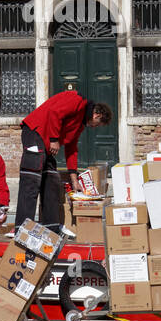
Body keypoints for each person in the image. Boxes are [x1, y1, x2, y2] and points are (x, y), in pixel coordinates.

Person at [15, 91, 112, 228]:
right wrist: (54, 139)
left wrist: (74, 179)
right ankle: (21, 229)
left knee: (51, 181)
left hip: (47, 143)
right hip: (35, 132)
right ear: (97, 115)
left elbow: (71, 148)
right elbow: (54, 112)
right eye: (97, 124)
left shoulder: (80, 124)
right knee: (31, 179)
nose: (94, 127)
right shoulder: (77, 100)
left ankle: (52, 228)